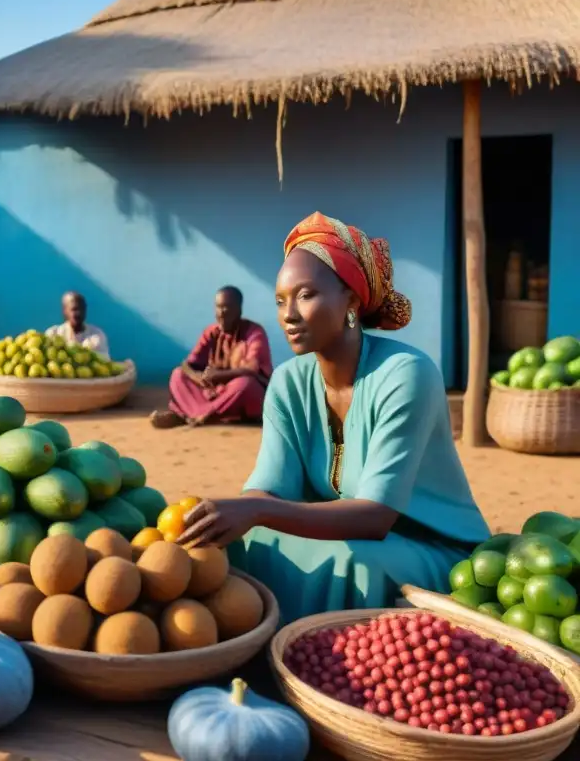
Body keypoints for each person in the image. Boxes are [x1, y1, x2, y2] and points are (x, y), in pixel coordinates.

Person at [177, 212, 490, 623]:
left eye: (305, 295)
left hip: (429, 548)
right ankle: (263, 656)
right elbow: (270, 491)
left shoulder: (406, 375)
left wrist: (253, 512)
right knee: (240, 543)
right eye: (280, 300)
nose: (288, 313)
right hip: (341, 535)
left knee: (354, 565)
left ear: (352, 302)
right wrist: (228, 512)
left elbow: (376, 517)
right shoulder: (289, 382)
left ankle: (328, 668)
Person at [150, 286, 272, 429]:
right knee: (178, 375)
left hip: (240, 394)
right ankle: (201, 415)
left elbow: (251, 369)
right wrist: (199, 377)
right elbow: (187, 365)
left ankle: (187, 415)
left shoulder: (254, 332)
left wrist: (219, 376)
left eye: (227, 308)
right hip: (214, 392)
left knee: (245, 385)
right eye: (218, 307)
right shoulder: (211, 332)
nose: (221, 313)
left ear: (239, 310)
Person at [45, 291, 109, 357]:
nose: (79, 313)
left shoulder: (97, 336)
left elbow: (104, 360)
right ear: (65, 311)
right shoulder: (53, 334)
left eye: (82, 309)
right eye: (74, 309)